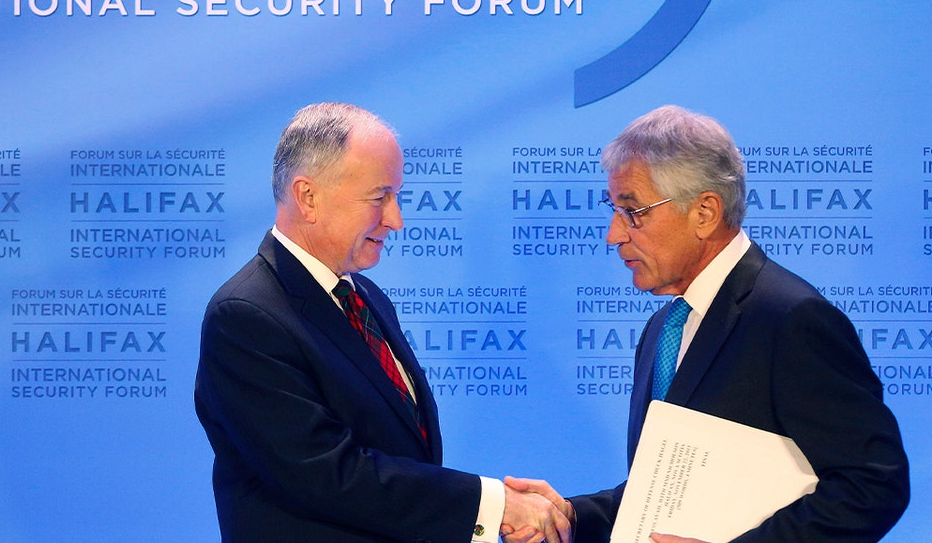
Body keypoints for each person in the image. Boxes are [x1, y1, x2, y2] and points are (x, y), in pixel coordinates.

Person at [512, 105, 909, 542]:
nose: (614, 234)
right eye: (615, 210)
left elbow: (872, 484)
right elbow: (663, 496)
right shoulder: (663, 328)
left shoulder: (791, 319)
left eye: (634, 212)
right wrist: (569, 517)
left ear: (704, 212)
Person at [194, 102, 571, 543]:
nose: (396, 220)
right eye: (379, 197)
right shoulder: (245, 316)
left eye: (396, 196)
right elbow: (329, 476)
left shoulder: (366, 297)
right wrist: (493, 504)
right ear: (307, 197)